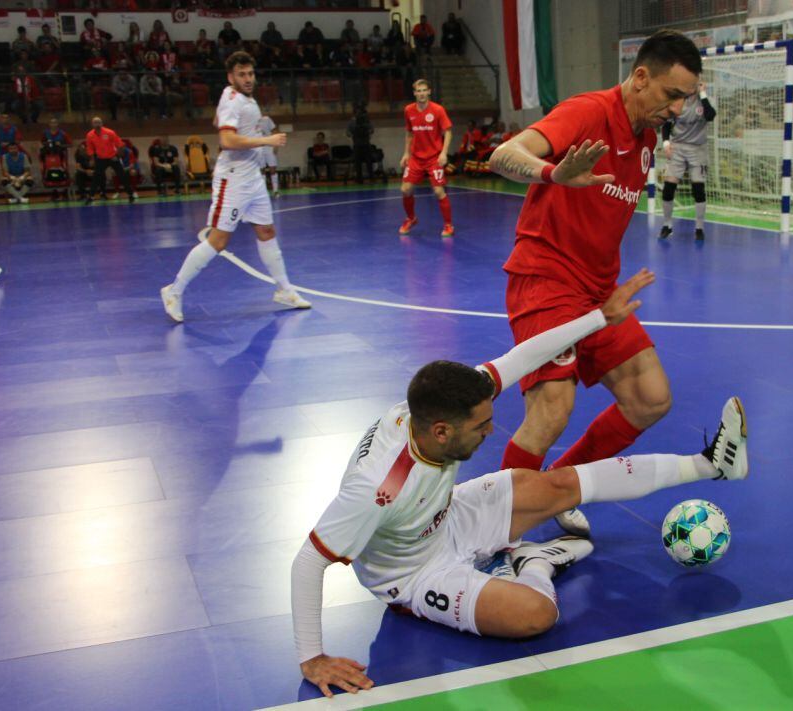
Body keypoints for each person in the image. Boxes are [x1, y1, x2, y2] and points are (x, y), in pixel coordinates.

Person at [291, 269, 750, 697]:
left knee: (553, 485)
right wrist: (312, 657)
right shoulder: (378, 489)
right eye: (481, 427)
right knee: (537, 616)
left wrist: (598, 318)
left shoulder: (440, 406)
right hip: (416, 575)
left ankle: (710, 463)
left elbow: (526, 353)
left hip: (448, 515)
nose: (492, 431)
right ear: (442, 432)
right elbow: (309, 561)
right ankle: (535, 561)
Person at [487, 29, 701, 537]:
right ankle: (491, 528)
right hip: (545, 279)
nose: (677, 109)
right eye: (672, 95)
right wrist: (552, 174)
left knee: (650, 397)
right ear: (641, 77)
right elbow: (503, 156)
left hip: (597, 292)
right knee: (553, 408)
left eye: (685, 100)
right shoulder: (588, 112)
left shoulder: (646, 138)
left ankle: (559, 487)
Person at [161, 51, 310, 324]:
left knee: (266, 231)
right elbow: (227, 140)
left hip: (252, 177)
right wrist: (267, 141)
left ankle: (284, 290)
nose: (248, 78)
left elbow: (219, 122)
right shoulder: (234, 100)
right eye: (242, 74)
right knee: (218, 240)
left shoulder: (236, 98)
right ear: (231, 77)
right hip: (233, 179)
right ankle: (174, 290)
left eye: (251, 73)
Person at [659, 80, 716, 241]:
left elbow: (711, 116)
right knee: (669, 187)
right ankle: (667, 225)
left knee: (698, 188)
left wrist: (703, 94)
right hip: (678, 147)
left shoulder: (703, 101)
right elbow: (666, 125)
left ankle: (699, 228)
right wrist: (666, 143)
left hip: (698, 149)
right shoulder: (677, 101)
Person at [399, 78, 454, 237]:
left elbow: (448, 131)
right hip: (416, 158)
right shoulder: (408, 110)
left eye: (424, 90)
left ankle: (448, 225)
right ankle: (411, 218)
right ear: (414, 93)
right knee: (405, 189)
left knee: (438, 191)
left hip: (433, 158)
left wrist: (444, 153)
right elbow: (409, 133)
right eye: (418, 91)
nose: (421, 94)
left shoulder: (438, 110)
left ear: (429, 91)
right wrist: (406, 153)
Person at [84, 116, 133, 205]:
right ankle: (90, 197)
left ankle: (130, 195)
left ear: (102, 123)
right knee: (96, 178)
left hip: (112, 157)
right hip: (101, 159)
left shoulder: (110, 132)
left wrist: (117, 156)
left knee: (122, 175)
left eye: (99, 122)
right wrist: (92, 159)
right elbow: (90, 149)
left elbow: (120, 145)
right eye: (95, 123)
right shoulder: (89, 135)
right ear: (92, 124)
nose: (97, 124)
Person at [346, 105, 374, 183]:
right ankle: (359, 178)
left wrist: (367, 132)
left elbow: (372, 130)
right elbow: (348, 133)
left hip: (366, 144)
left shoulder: (367, 121)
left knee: (369, 161)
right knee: (357, 162)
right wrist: (354, 134)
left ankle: (371, 177)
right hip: (357, 145)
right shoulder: (351, 122)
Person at [257, 113, 281, 197]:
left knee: (273, 169)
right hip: (258, 147)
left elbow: (275, 131)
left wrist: (276, 145)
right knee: (261, 170)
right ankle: (263, 192)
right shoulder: (251, 121)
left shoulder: (266, 119)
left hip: (269, 146)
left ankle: (275, 190)